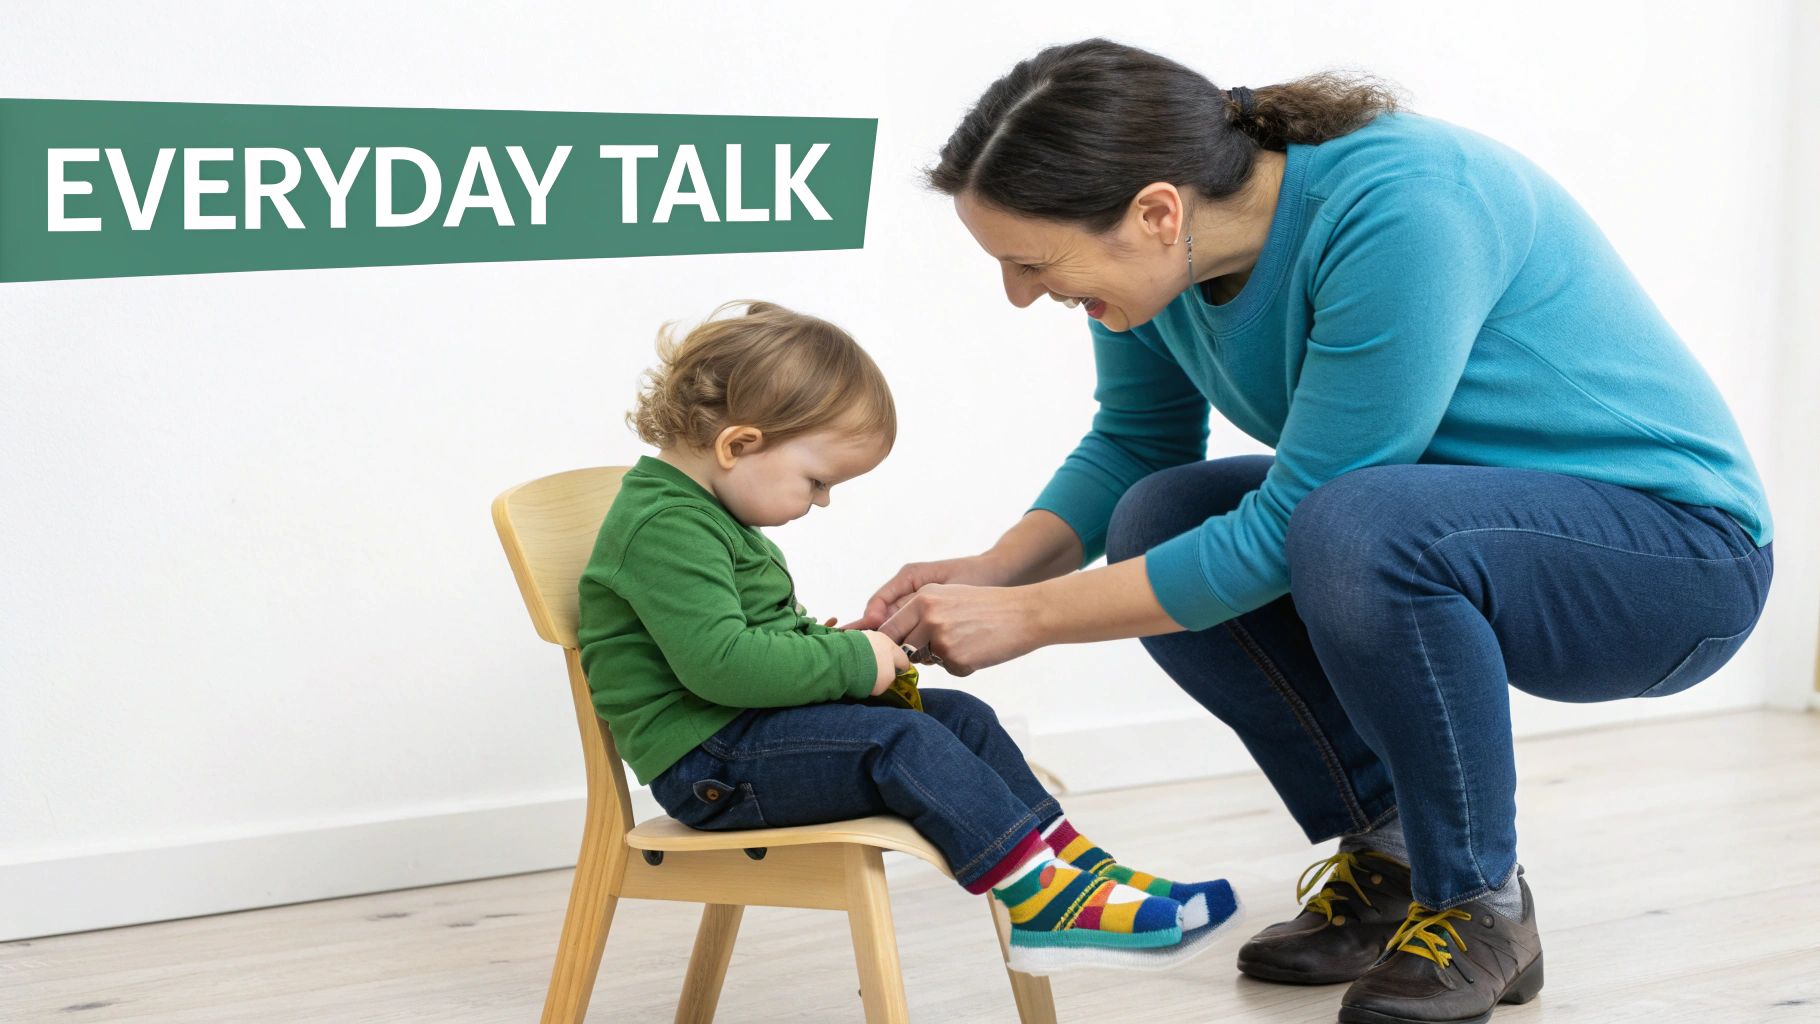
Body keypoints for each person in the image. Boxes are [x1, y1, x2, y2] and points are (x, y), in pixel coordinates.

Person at [846, 39, 1774, 1024]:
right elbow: (1134, 445)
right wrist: (993, 574)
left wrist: (1028, 617)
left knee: (1353, 518)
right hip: (1449, 529)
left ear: (1156, 211)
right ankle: (1391, 861)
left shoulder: (1402, 206)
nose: (1019, 293)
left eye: (1030, 263)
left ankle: (1476, 900)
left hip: (1675, 558)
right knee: (1161, 512)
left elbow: (1300, 519)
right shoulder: (1157, 267)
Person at [574, 299, 1242, 974]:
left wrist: (835, 649)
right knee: (905, 738)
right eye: (818, 481)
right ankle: (1043, 904)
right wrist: (850, 661)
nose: (823, 500)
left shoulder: (699, 516)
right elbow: (722, 666)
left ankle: (1078, 871)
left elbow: (742, 644)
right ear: (738, 445)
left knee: (960, 717)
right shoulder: (666, 526)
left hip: (744, 739)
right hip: (712, 767)